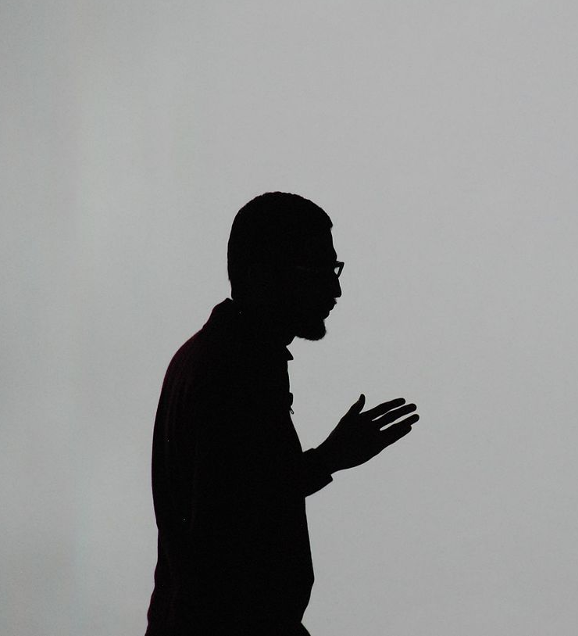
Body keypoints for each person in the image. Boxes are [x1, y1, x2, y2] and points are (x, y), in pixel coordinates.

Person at [145, 192, 420, 636]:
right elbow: (231, 530)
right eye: (317, 271)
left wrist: (328, 458)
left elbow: (247, 497)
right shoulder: (232, 373)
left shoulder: (217, 360)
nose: (335, 290)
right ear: (261, 274)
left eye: (334, 270)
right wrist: (328, 458)